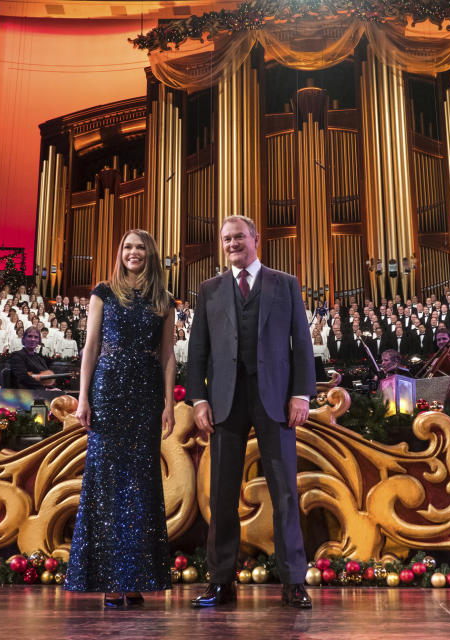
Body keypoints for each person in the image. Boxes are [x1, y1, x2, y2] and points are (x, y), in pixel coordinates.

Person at [186, 215, 315, 609]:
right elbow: (198, 351)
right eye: (226, 239)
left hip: (275, 398)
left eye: (239, 237)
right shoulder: (208, 290)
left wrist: (301, 394)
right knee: (221, 495)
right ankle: (222, 582)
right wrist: (198, 399)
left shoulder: (285, 284)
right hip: (224, 400)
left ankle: (293, 582)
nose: (232, 244)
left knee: (285, 493)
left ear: (256, 238)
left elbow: (302, 343)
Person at [66, 229, 176, 607]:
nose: (133, 252)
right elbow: (91, 347)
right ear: (120, 252)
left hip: (145, 394)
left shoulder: (163, 298)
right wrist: (83, 398)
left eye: (140, 248)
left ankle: (136, 579)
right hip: (109, 390)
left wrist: (169, 404)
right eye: (127, 246)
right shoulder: (103, 292)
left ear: (151, 254)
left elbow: (167, 356)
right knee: (107, 485)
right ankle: (110, 580)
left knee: (141, 486)